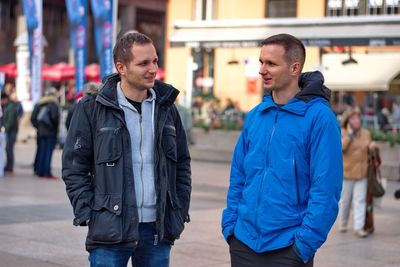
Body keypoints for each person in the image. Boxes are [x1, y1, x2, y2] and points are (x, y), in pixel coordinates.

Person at [62, 31, 191, 267]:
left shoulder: (167, 108)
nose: (153, 69)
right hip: (110, 228)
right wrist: (91, 213)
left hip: (157, 230)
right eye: (143, 63)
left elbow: (182, 163)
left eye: (155, 61)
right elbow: (74, 166)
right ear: (122, 67)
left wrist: (178, 211)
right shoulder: (92, 108)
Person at [221, 33, 343, 267]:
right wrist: (231, 227)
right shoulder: (256, 115)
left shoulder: (320, 118)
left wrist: (303, 245)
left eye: (271, 63)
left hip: (288, 249)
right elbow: (239, 176)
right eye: (261, 62)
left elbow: (326, 190)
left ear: (294, 68)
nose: (262, 70)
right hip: (243, 243)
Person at [339, 106, 376, 238]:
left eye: (358, 118)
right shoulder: (343, 132)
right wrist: (350, 134)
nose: (356, 120)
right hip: (347, 173)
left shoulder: (366, 133)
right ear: (348, 120)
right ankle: (343, 223)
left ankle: (358, 227)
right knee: (345, 201)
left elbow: (369, 146)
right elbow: (341, 147)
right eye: (353, 118)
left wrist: (372, 146)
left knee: (360, 200)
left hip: (362, 172)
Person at [30, 87, 60, 178]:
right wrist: (54, 127)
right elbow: (55, 118)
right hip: (50, 132)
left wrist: (38, 127)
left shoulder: (39, 103)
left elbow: (32, 118)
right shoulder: (53, 104)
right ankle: (46, 172)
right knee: (48, 152)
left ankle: (39, 171)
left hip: (40, 132)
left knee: (41, 151)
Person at [1, 92, 21, 174]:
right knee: (8, 149)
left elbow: (11, 121)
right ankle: (8, 165)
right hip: (9, 131)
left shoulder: (11, 107)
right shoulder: (8, 106)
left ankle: (10, 166)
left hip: (11, 132)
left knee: (9, 149)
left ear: (5, 99)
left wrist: (5, 129)